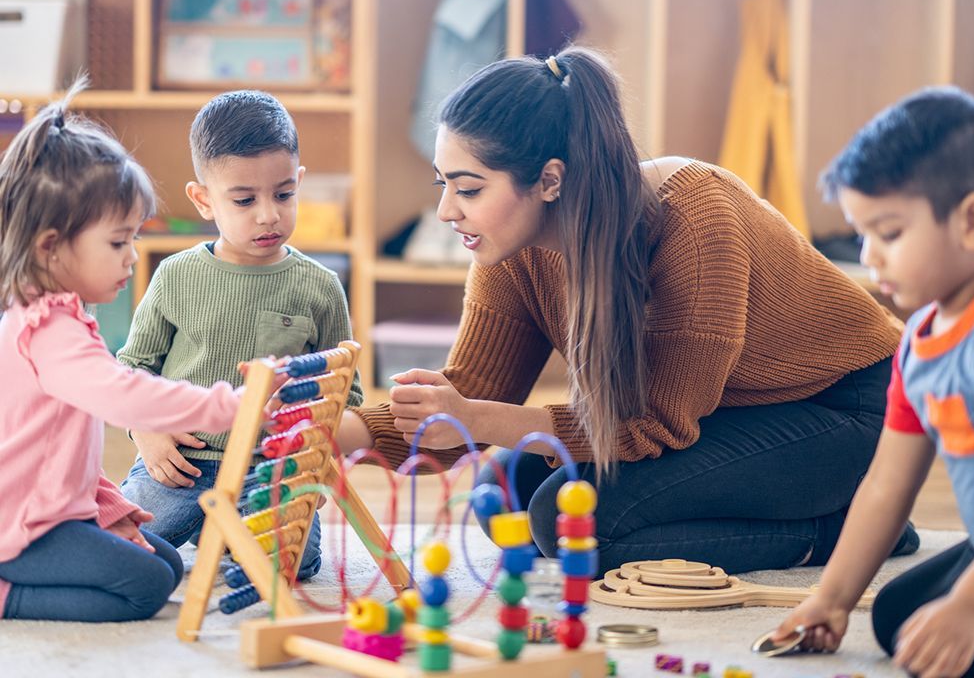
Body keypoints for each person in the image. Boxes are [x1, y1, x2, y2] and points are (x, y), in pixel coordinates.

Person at [336, 45, 915, 575]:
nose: (444, 211)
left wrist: (477, 418)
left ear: (549, 180)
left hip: (851, 409)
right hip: (727, 410)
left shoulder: (695, 220)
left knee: (575, 527)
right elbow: (466, 397)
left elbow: (653, 425)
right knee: (505, 496)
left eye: (468, 189)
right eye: (443, 185)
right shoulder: (511, 249)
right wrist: (343, 432)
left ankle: (844, 530)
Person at [774, 87, 974, 678]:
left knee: (964, 640)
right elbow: (885, 485)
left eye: (891, 233)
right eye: (862, 232)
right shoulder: (921, 336)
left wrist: (973, 606)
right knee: (900, 619)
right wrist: (831, 598)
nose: (871, 257)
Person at [0, 82, 245, 622]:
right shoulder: (48, 331)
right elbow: (127, 398)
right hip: (23, 523)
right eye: (117, 242)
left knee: (163, 560)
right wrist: (232, 406)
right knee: (148, 586)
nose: (133, 257)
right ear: (50, 245)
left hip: (55, 509)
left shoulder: (57, 315)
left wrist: (106, 509)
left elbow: (64, 451)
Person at [118, 90, 362, 581]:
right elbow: (130, 368)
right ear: (203, 199)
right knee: (119, 548)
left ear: (299, 184)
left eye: (284, 194)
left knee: (292, 566)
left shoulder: (321, 287)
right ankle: (209, 526)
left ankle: (221, 532)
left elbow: (346, 393)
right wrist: (146, 431)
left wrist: (304, 447)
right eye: (245, 199)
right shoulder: (175, 275)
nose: (268, 214)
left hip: (268, 472)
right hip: (181, 463)